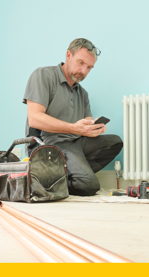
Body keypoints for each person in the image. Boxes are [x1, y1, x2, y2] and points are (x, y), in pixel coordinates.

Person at [23, 38, 123, 196]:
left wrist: (95, 128)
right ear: (68, 55)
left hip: (75, 143)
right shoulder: (43, 75)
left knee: (115, 142)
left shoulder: (82, 93)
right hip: (50, 144)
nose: (84, 71)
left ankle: (66, 174)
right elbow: (35, 118)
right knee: (89, 186)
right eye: (81, 63)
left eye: (89, 67)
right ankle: (55, 179)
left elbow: (87, 124)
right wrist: (73, 128)